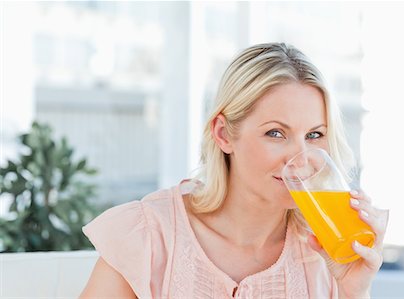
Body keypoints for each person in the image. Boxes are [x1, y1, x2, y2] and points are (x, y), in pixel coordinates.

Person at [80, 42, 388, 298]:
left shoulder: (325, 255)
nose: (301, 158)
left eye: (314, 135)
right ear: (224, 134)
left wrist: (352, 293)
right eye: (276, 133)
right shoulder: (148, 236)